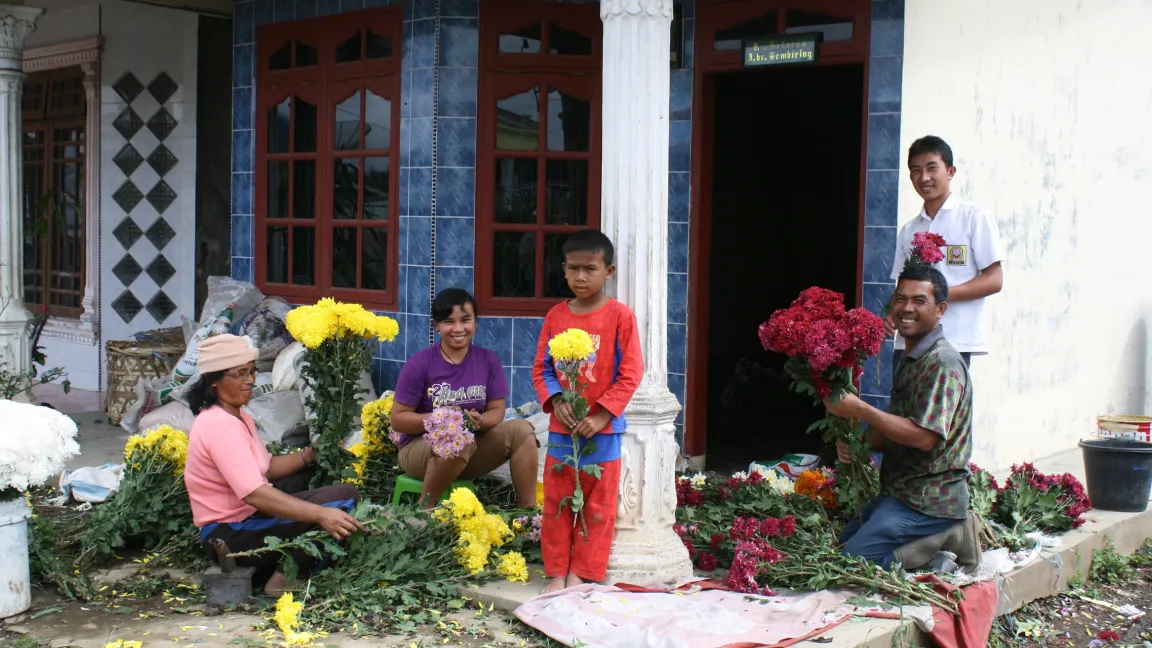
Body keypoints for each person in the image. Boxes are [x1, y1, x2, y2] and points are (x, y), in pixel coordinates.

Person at [824, 265, 980, 571]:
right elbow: (894, 428)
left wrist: (860, 409)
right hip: (901, 494)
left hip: (929, 502)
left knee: (852, 564)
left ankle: (951, 535)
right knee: (844, 543)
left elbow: (924, 437)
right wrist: (858, 446)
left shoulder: (941, 364)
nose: (907, 308)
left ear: (940, 310)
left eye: (919, 301)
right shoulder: (912, 358)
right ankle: (930, 552)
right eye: (900, 299)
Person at [184, 334, 364, 597]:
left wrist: (308, 456)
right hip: (229, 533)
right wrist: (318, 514)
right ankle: (283, 580)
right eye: (240, 374)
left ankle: (285, 559)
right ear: (214, 380)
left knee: (315, 476)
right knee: (342, 500)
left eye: (251, 372)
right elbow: (255, 493)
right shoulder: (219, 426)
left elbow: (265, 468)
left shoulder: (237, 415)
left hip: (244, 516)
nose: (250, 380)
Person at [533, 229, 644, 594]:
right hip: (562, 432)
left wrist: (602, 415)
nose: (581, 277)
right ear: (563, 270)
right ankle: (555, 573)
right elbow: (541, 369)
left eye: (590, 269)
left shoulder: (620, 317)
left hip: (603, 433)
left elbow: (631, 373)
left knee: (597, 506)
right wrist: (558, 402)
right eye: (574, 269)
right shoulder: (555, 316)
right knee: (555, 502)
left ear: (608, 271)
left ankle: (583, 573)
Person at [390, 288, 539, 508]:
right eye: (448, 322)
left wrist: (481, 421)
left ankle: (527, 514)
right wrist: (443, 419)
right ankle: (423, 511)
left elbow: (497, 409)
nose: (458, 329)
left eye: (466, 320)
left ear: (476, 322)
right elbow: (398, 419)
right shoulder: (420, 364)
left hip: (470, 448)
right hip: (420, 451)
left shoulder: (488, 360)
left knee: (523, 431)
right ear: (436, 325)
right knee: (456, 438)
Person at [887, 135, 1004, 376]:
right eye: (916, 170)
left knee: (942, 413)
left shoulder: (973, 218)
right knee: (901, 410)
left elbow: (994, 280)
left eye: (932, 168)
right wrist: (892, 313)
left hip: (954, 341)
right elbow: (902, 285)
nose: (924, 178)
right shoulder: (909, 229)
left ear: (950, 172)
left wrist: (935, 295)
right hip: (908, 342)